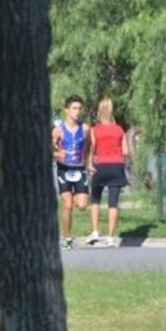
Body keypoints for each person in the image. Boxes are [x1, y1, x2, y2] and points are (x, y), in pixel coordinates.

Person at [87, 97, 130, 247]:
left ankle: (95, 231)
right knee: (113, 203)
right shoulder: (119, 130)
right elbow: (125, 151)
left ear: (99, 112)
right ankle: (110, 237)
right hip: (116, 166)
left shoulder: (94, 130)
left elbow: (91, 149)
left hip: (101, 166)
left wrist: (90, 165)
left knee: (95, 199)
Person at [52, 95, 91, 250]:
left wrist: (89, 163)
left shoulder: (86, 128)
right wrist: (57, 154)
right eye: (74, 108)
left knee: (82, 205)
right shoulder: (58, 130)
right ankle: (67, 238)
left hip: (80, 169)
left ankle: (75, 196)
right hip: (64, 169)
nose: (77, 111)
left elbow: (88, 147)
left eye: (80, 108)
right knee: (67, 205)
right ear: (66, 110)